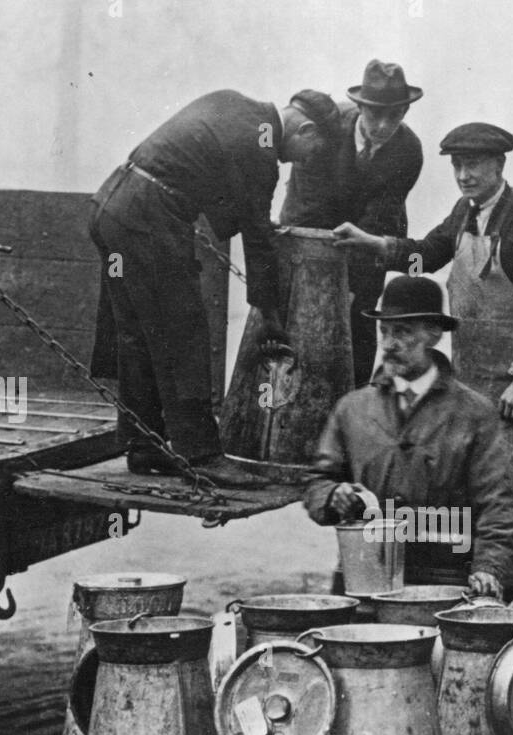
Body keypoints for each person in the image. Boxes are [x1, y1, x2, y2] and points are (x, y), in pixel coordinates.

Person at [332, 122, 513, 598]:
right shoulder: (464, 214)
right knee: (480, 476)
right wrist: (376, 245)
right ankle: (480, 584)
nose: (465, 175)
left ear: (499, 166)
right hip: (482, 374)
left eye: (475, 166)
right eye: (458, 166)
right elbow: (425, 255)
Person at [88, 88, 341, 486]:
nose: (306, 160)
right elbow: (257, 237)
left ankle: (143, 445)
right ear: (305, 127)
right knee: (183, 332)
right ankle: (202, 454)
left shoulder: (236, 104)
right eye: (313, 150)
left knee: (139, 332)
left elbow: (221, 198)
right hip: (148, 217)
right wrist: (270, 316)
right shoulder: (262, 149)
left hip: (112, 207)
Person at [303, 275, 513, 598]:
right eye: (383, 331)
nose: (388, 344)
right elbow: (318, 481)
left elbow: (497, 504)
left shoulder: (475, 414)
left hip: (444, 582)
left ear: (433, 334)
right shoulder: (352, 409)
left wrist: (488, 568)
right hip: (363, 579)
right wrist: (333, 495)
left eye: (402, 332)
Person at [280, 59, 424, 387]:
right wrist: (324, 285)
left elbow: (378, 221)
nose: (384, 126)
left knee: (357, 327)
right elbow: (307, 209)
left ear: (405, 112)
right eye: (375, 114)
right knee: (298, 331)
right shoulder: (329, 130)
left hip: (367, 247)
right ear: (359, 106)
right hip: (312, 234)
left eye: (395, 115)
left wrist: (351, 289)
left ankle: (352, 407)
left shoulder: (409, 151)